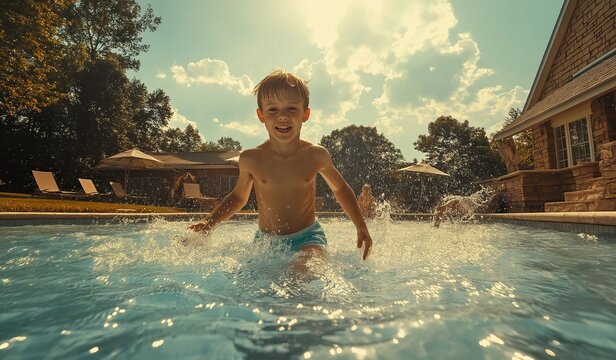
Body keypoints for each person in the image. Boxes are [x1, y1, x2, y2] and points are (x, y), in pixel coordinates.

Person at [187, 70, 372, 261]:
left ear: (305, 114)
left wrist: (361, 225)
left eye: (291, 109)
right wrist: (209, 224)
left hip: (308, 238)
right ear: (261, 115)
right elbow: (238, 197)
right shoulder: (252, 159)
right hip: (267, 241)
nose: (282, 116)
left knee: (306, 270)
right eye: (273, 110)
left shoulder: (315, 155)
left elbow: (340, 188)